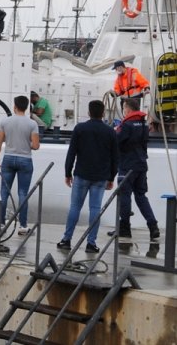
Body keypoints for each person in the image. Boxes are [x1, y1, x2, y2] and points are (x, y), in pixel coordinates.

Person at [57, 100, 119, 253]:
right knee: (95, 209)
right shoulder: (110, 132)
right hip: (100, 177)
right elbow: (115, 157)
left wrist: (67, 173)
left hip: (81, 174)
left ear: (89, 112)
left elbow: (72, 152)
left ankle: (66, 240)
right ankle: (91, 243)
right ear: (103, 113)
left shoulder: (80, 129)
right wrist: (111, 177)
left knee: (75, 207)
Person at [109, 98, 160, 241]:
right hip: (141, 164)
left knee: (124, 196)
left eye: (124, 108)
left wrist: (114, 132)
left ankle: (124, 228)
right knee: (141, 196)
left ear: (128, 109)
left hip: (127, 166)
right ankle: (153, 225)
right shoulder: (143, 124)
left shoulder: (126, 125)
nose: (123, 111)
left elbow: (118, 142)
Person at [0, 95, 41, 235]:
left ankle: (1, 223)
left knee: (4, 192)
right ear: (27, 107)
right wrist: (27, 144)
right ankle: (23, 226)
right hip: (25, 160)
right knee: (22, 193)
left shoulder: (5, 122)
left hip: (8, 158)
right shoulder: (32, 124)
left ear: (15, 106)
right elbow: (36, 145)